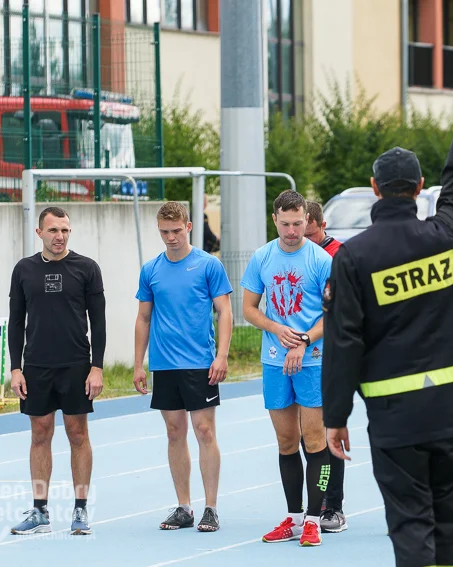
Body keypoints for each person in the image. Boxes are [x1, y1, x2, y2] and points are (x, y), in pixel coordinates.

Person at [320, 52, 453, 567]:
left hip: (395, 421)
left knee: (410, 523)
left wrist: (335, 417)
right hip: (451, 410)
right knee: (448, 521)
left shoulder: (354, 258)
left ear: (374, 190)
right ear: (420, 190)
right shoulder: (444, 237)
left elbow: (344, 341)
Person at [133, 202, 233, 532]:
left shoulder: (208, 265)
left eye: (176, 231)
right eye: (164, 232)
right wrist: (138, 364)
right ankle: (184, 507)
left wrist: (221, 355)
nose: (171, 237)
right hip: (164, 365)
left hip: (200, 364)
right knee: (175, 433)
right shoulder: (151, 270)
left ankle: (211, 508)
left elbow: (225, 312)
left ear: (188, 227)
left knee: (205, 432)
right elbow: (144, 317)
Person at [241, 190, 333, 547]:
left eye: (299, 224)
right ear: (275, 220)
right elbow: (249, 308)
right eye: (286, 224)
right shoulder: (263, 257)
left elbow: (335, 312)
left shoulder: (321, 260)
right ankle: (293, 516)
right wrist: (277, 330)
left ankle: (314, 517)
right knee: (285, 441)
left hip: (313, 360)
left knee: (315, 439)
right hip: (274, 361)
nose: (292, 230)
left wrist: (304, 340)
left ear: (307, 221)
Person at [8, 206, 106, 536]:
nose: (59, 236)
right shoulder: (23, 270)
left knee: (78, 435)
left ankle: (80, 511)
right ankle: (39, 511)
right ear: (40, 233)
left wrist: (97, 367)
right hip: (36, 366)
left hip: (76, 365)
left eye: (64, 230)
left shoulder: (87, 268)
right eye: (53, 230)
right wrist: (16, 368)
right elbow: (16, 321)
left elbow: (99, 321)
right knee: (40, 434)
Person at [303, 200, 347, 534]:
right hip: (300, 358)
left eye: (310, 232)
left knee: (330, 432)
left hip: (333, 356)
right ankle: (313, 504)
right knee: (307, 436)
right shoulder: (294, 254)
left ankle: (334, 506)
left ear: (322, 225)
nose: (302, 237)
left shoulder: (338, 255)